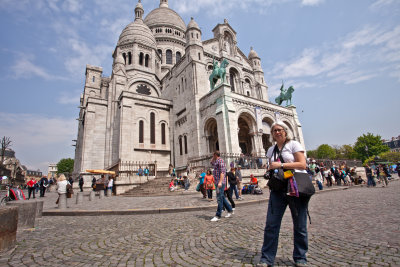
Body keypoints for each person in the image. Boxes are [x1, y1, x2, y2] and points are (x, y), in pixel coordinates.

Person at [259, 121, 309, 267]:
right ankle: (267, 259)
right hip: (278, 188)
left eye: (279, 130)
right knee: (271, 225)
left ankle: (300, 258)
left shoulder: (293, 145)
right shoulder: (271, 150)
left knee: (300, 225)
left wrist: (281, 165)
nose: (277, 132)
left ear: (285, 131)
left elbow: (302, 164)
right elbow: (271, 167)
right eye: (274, 130)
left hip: (295, 187)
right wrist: (269, 171)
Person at [210, 150, 233, 222]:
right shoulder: (216, 161)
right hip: (217, 182)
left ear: (215, 154)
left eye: (213, 155)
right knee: (222, 197)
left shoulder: (220, 161)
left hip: (220, 182)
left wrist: (220, 182)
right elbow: (211, 163)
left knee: (219, 198)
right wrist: (213, 157)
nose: (213, 156)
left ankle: (218, 215)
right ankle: (230, 210)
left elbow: (223, 172)